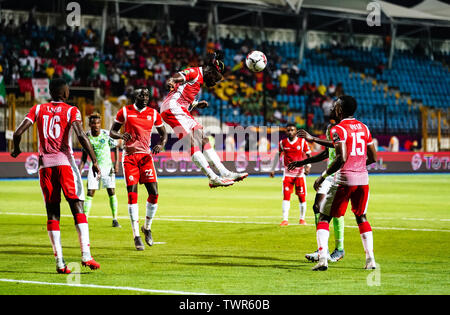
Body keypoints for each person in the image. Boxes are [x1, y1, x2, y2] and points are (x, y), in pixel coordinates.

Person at [11, 78, 100, 274]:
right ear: (64, 91)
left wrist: (17, 149)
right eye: (67, 88)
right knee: (77, 205)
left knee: (52, 212)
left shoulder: (37, 109)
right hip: (65, 164)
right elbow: (81, 136)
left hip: (45, 167)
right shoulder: (71, 110)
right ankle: (86, 254)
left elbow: (17, 133)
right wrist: (94, 160)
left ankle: (60, 262)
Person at [309, 95, 377, 271]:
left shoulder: (338, 129)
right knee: (361, 216)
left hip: (344, 180)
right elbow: (373, 157)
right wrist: (359, 165)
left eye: (335, 106)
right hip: (363, 180)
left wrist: (322, 176)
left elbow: (341, 158)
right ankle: (370, 260)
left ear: (340, 109)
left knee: (324, 216)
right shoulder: (364, 128)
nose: (333, 108)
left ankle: (323, 259)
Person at [161, 51, 247, 188]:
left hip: (180, 109)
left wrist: (195, 104)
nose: (214, 82)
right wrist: (173, 80)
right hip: (172, 108)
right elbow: (180, 76)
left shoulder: (199, 83)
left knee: (203, 139)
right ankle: (212, 177)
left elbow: (182, 96)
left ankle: (224, 172)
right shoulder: (195, 72)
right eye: (215, 78)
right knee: (191, 142)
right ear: (210, 70)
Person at [110, 87, 168, 251]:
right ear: (134, 96)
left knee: (154, 193)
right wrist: (121, 136)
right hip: (129, 158)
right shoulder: (125, 112)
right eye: (141, 94)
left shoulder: (153, 113)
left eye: (147, 95)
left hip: (146, 158)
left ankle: (147, 228)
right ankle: (136, 236)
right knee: (132, 195)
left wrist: (161, 145)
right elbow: (112, 131)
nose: (144, 96)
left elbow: (164, 135)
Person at [288, 125, 346, 263]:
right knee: (317, 207)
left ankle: (339, 249)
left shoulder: (341, 132)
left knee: (336, 212)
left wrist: (313, 139)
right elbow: (326, 153)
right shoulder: (330, 129)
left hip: (341, 175)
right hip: (329, 175)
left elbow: (338, 150)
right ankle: (322, 249)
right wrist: (303, 162)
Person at [78, 113, 121, 227]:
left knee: (111, 192)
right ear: (89, 124)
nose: (96, 125)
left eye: (97, 123)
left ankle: (115, 219)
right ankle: (85, 220)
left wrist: (116, 164)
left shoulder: (106, 134)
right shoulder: (86, 137)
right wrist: (79, 171)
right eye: (93, 123)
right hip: (94, 168)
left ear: (100, 123)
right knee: (90, 192)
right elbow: (83, 157)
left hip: (108, 167)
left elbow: (116, 147)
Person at [270, 123, 312, 226]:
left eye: (292, 130)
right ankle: (285, 219)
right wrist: (273, 169)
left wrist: (308, 166)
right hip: (288, 174)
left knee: (301, 197)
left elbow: (309, 155)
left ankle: (302, 219)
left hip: (299, 174)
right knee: (286, 196)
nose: (290, 132)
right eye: (288, 130)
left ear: (296, 131)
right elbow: (277, 155)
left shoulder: (302, 142)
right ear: (286, 131)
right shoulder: (283, 143)